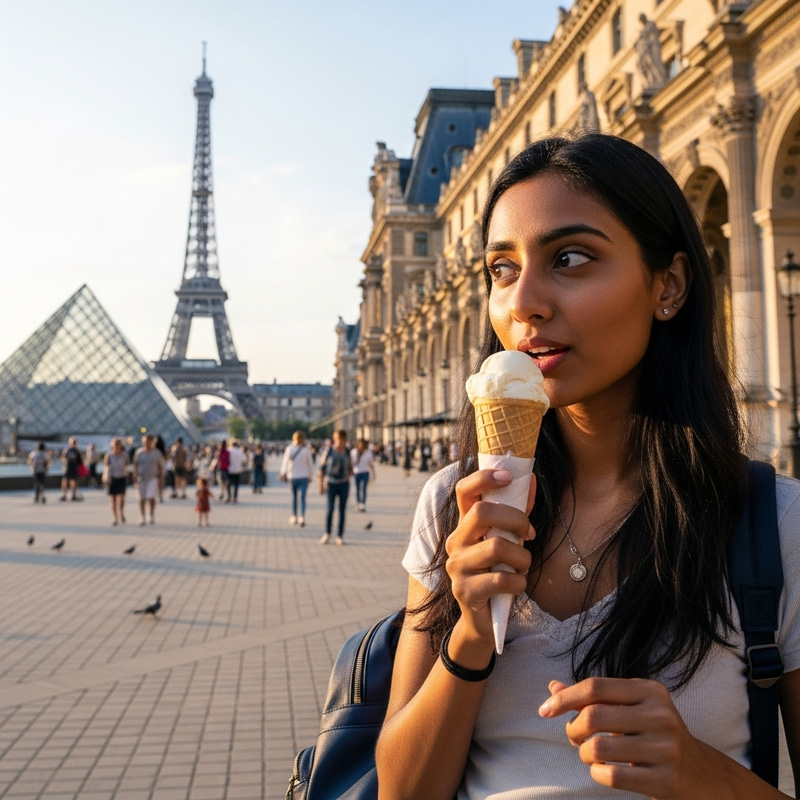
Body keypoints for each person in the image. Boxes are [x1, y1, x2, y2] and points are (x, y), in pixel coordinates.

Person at [375, 132, 800, 798]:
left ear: (670, 285)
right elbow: (401, 791)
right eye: (501, 269)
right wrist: (466, 639)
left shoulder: (775, 528)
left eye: (570, 258)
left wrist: (698, 771)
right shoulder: (452, 505)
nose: (523, 304)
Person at [317, 430, 353, 545]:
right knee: (330, 509)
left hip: (344, 484)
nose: (339, 441)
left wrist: (351, 472)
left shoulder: (347, 451)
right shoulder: (328, 451)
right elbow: (321, 469)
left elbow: (351, 468)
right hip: (331, 484)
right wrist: (320, 485)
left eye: (341, 439)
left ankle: (340, 535)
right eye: (337, 439)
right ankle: (327, 533)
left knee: (342, 511)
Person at [280, 431, 316, 526]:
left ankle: (294, 516)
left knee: (294, 498)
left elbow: (285, 462)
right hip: (303, 476)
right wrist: (311, 475)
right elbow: (310, 464)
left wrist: (283, 472)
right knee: (303, 498)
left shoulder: (290, 449)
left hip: (293, 476)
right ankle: (302, 517)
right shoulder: (306, 449)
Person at [133, 434, 165, 526]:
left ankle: (151, 514)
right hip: (141, 478)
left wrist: (161, 478)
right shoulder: (139, 453)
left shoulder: (157, 453)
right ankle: (142, 517)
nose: (146, 443)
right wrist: (134, 478)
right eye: (145, 441)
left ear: (152, 442)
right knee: (141, 499)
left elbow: (160, 466)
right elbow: (135, 466)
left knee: (151, 497)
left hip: (153, 478)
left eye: (148, 441)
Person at [104, 437, 130, 525]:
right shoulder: (109, 455)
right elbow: (106, 467)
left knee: (122, 498)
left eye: (117, 445)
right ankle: (115, 518)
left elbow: (127, 464)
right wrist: (106, 477)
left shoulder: (124, 455)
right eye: (114, 445)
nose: (116, 447)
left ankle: (121, 513)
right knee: (113, 500)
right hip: (112, 478)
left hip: (121, 477)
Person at [351, 438, 376, 512]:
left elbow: (371, 463)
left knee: (364, 489)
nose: (361, 446)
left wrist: (373, 473)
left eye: (362, 444)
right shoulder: (354, 452)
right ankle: (358, 503)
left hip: (365, 472)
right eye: (360, 444)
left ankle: (363, 504)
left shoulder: (368, 452)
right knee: (358, 489)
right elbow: (351, 463)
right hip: (357, 472)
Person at [59, 437, 83, 501]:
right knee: (65, 480)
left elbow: (80, 460)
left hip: (73, 468)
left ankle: (73, 494)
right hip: (67, 467)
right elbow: (63, 458)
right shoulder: (67, 450)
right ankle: (64, 494)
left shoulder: (76, 451)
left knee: (73, 481)